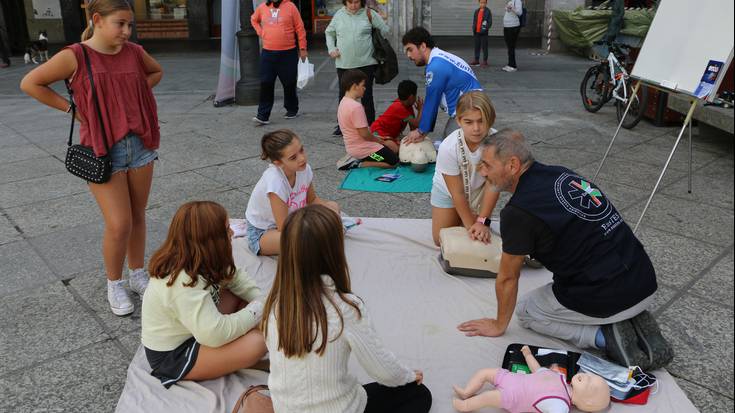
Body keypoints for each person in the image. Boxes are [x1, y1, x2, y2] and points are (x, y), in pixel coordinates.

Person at [457, 129, 674, 372]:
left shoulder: (518, 213)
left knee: (528, 312)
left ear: (513, 165)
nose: (481, 171)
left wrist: (499, 324)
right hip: (643, 279)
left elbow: (508, 278)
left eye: (486, 165)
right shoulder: (561, 173)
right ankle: (625, 321)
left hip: (611, 296)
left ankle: (605, 337)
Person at [20, 0, 162, 316]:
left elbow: (156, 72)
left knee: (138, 215)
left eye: (130, 25)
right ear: (97, 20)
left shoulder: (134, 53)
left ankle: (137, 274)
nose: (127, 31)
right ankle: (115, 283)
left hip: (139, 145)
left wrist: (135, 97)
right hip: (102, 149)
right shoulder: (76, 55)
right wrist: (71, 108)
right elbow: (31, 83)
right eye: (120, 24)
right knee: (119, 223)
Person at [261, 204, 433, 413]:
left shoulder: (274, 305)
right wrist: (408, 375)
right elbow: (383, 370)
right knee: (419, 393)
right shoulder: (345, 308)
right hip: (343, 408)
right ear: (334, 251)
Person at [142, 201, 267, 388]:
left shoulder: (201, 256)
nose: (232, 233)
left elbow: (235, 277)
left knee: (242, 298)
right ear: (210, 240)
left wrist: (260, 300)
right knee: (257, 343)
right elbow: (214, 335)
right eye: (227, 230)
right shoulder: (180, 281)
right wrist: (258, 310)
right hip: (174, 355)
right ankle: (241, 358)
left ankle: (234, 356)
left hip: (194, 329)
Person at [245, 129, 340, 256]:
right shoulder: (275, 182)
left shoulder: (304, 169)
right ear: (278, 163)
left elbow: (312, 200)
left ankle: (323, 237)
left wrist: (330, 213)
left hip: (294, 219)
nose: (302, 158)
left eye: (301, 150)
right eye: (293, 157)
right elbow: (284, 228)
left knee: (333, 206)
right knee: (301, 240)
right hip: (263, 232)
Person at [453, 345, 610, 412]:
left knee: (487, 397)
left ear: (588, 402)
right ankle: (467, 391)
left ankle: (466, 405)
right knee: (485, 372)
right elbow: (537, 370)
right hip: (511, 378)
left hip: (512, 397)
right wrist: (528, 355)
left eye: (590, 383)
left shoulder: (560, 405)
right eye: (591, 376)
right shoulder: (560, 377)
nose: (587, 377)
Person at [431, 91, 500, 247]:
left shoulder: (498, 143)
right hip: (448, 191)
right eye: (469, 122)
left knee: (478, 232)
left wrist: (482, 221)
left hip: (479, 190)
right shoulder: (448, 147)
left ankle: (474, 217)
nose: (476, 128)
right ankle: (464, 218)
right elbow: (457, 193)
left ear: (491, 119)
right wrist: (470, 226)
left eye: (481, 121)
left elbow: (493, 185)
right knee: (439, 240)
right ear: (459, 121)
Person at [401, 27, 483, 144]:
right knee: (447, 147)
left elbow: (431, 100)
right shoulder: (440, 58)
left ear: (423, 46)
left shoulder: (436, 66)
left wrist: (420, 131)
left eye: (410, 50)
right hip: (473, 110)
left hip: (470, 113)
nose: (408, 55)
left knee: (449, 152)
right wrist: (424, 131)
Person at [326, 0, 389, 136]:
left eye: (356, 2)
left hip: (366, 62)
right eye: (350, 2)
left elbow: (385, 30)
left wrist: (380, 22)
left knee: (366, 95)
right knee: (344, 95)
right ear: (345, 2)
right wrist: (332, 49)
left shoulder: (369, 14)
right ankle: (343, 126)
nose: (353, 5)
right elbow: (329, 33)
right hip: (344, 63)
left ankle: (370, 125)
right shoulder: (339, 15)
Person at [250, 0, 308, 125]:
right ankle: (263, 115)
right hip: (268, 53)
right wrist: (261, 32)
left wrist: (302, 48)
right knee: (266, 83)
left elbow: (300, 27)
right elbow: (253, 19)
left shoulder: (291, 6)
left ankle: (292, 109)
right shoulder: (262, 7)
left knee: (289, 83)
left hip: (288, 53)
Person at [337, 69, 400, 170]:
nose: (365, 88)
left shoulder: (343, 102)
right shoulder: (356, 107)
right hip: (365, 150)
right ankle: (358, 163)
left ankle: (357, 158)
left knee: (391, 150)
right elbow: (365, 135)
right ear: (354, 86)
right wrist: (380, 141)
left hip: (352, 148)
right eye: (363, 85)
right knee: (394, 162)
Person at [370, 79, 423, 146]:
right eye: (415, 95)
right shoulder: (399, 107)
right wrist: (420, 110)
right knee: (395, 149)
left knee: (408, 143)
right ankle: (375, 148)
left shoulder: (408, 107)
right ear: (411, 97)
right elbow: (417, 123)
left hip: (390, 134)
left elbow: (413, 128)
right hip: (378, 131)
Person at [502, 0, 523, 72]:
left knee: (511, 46)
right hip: (507, 26)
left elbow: (519, 13)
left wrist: (512, 8)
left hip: (513, 26)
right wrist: (507, 8)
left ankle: (513, 66)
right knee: (509, 46)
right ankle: (510, 64)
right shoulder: (509, 1)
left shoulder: (517, 1)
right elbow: (508, 11)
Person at [470, 0, 492, 68]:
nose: (483, 4)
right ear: (479, 3)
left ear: (486, 3)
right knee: (477, 46)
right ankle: (476, 60)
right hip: (476, 32)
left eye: (484, 3)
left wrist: (485, 28)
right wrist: (474, 27)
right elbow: (474, 20)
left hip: (484, 32)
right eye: (481, 2)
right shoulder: (477, 11)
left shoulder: (488, 11)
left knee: (484, 47)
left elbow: (489, 22)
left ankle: (485, 61)